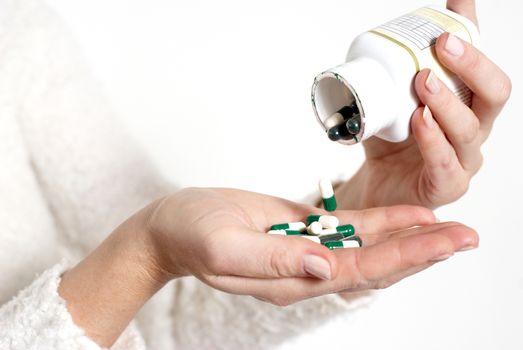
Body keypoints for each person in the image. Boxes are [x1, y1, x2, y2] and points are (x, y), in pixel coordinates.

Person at [0, 0, 510, 349]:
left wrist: (361, 202)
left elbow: (164, 325)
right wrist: (144, 251)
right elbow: (143, 258)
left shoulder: (21, 32)